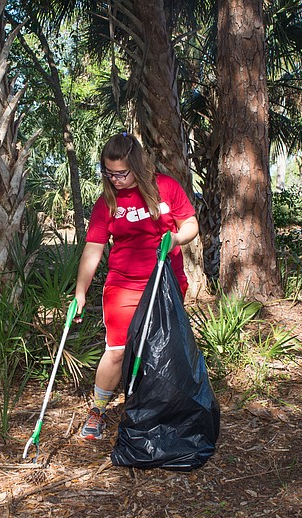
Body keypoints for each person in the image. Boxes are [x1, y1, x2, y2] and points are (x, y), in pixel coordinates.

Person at [74, 132, 199, 440]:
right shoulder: (107, 202)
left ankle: (153, 409)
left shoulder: (165, 187)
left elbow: (190, 225)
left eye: (121, 173)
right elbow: (93, 248)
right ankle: (98, 411)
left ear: (138, 166)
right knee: (116, 350)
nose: (114, 178)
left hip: (165, 282)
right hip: (123, 285)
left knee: (159, 348)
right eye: (108, 172)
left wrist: (176, 238)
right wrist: (80, 291)